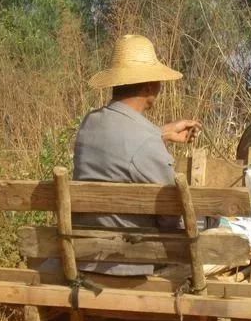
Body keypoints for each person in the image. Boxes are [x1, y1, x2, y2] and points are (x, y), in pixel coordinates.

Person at [71, 33, 201, 275]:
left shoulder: (88, 125)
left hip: (85, 257)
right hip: (129, 265)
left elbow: (121, 147)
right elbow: (171, 218)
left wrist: (161, 133)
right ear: (151, 86)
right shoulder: (148, 141)